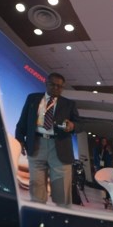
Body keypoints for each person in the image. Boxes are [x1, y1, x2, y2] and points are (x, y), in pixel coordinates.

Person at [15, 72, 78, 206]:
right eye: (52, 84)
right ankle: (38, 212)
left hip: (59, 146)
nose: (55, 88)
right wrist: (19, 139)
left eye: (59, 86)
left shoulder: (69, 104)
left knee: (61, 190)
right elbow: (22, 122)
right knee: (36, 185)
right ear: (46, 83)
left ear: (62, 87)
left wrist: (72, 125)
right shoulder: (32, 98)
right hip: (36, 144)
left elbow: (80, 123)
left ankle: (63, 214)